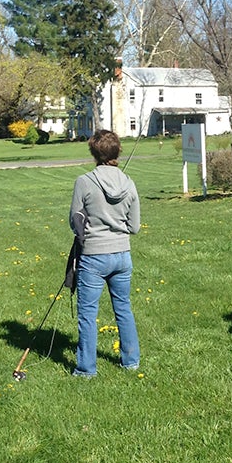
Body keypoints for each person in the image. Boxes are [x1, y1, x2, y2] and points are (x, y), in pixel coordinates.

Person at [70, 130, 140, 376]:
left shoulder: (84, 182)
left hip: (93, 256)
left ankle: (86, 369)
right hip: (122, 255)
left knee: (88, 314)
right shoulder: (129, 183)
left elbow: (74, 221)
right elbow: (135, 227)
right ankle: (131, 362)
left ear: (93, 153)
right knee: (123, 308)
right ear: (117, 152)